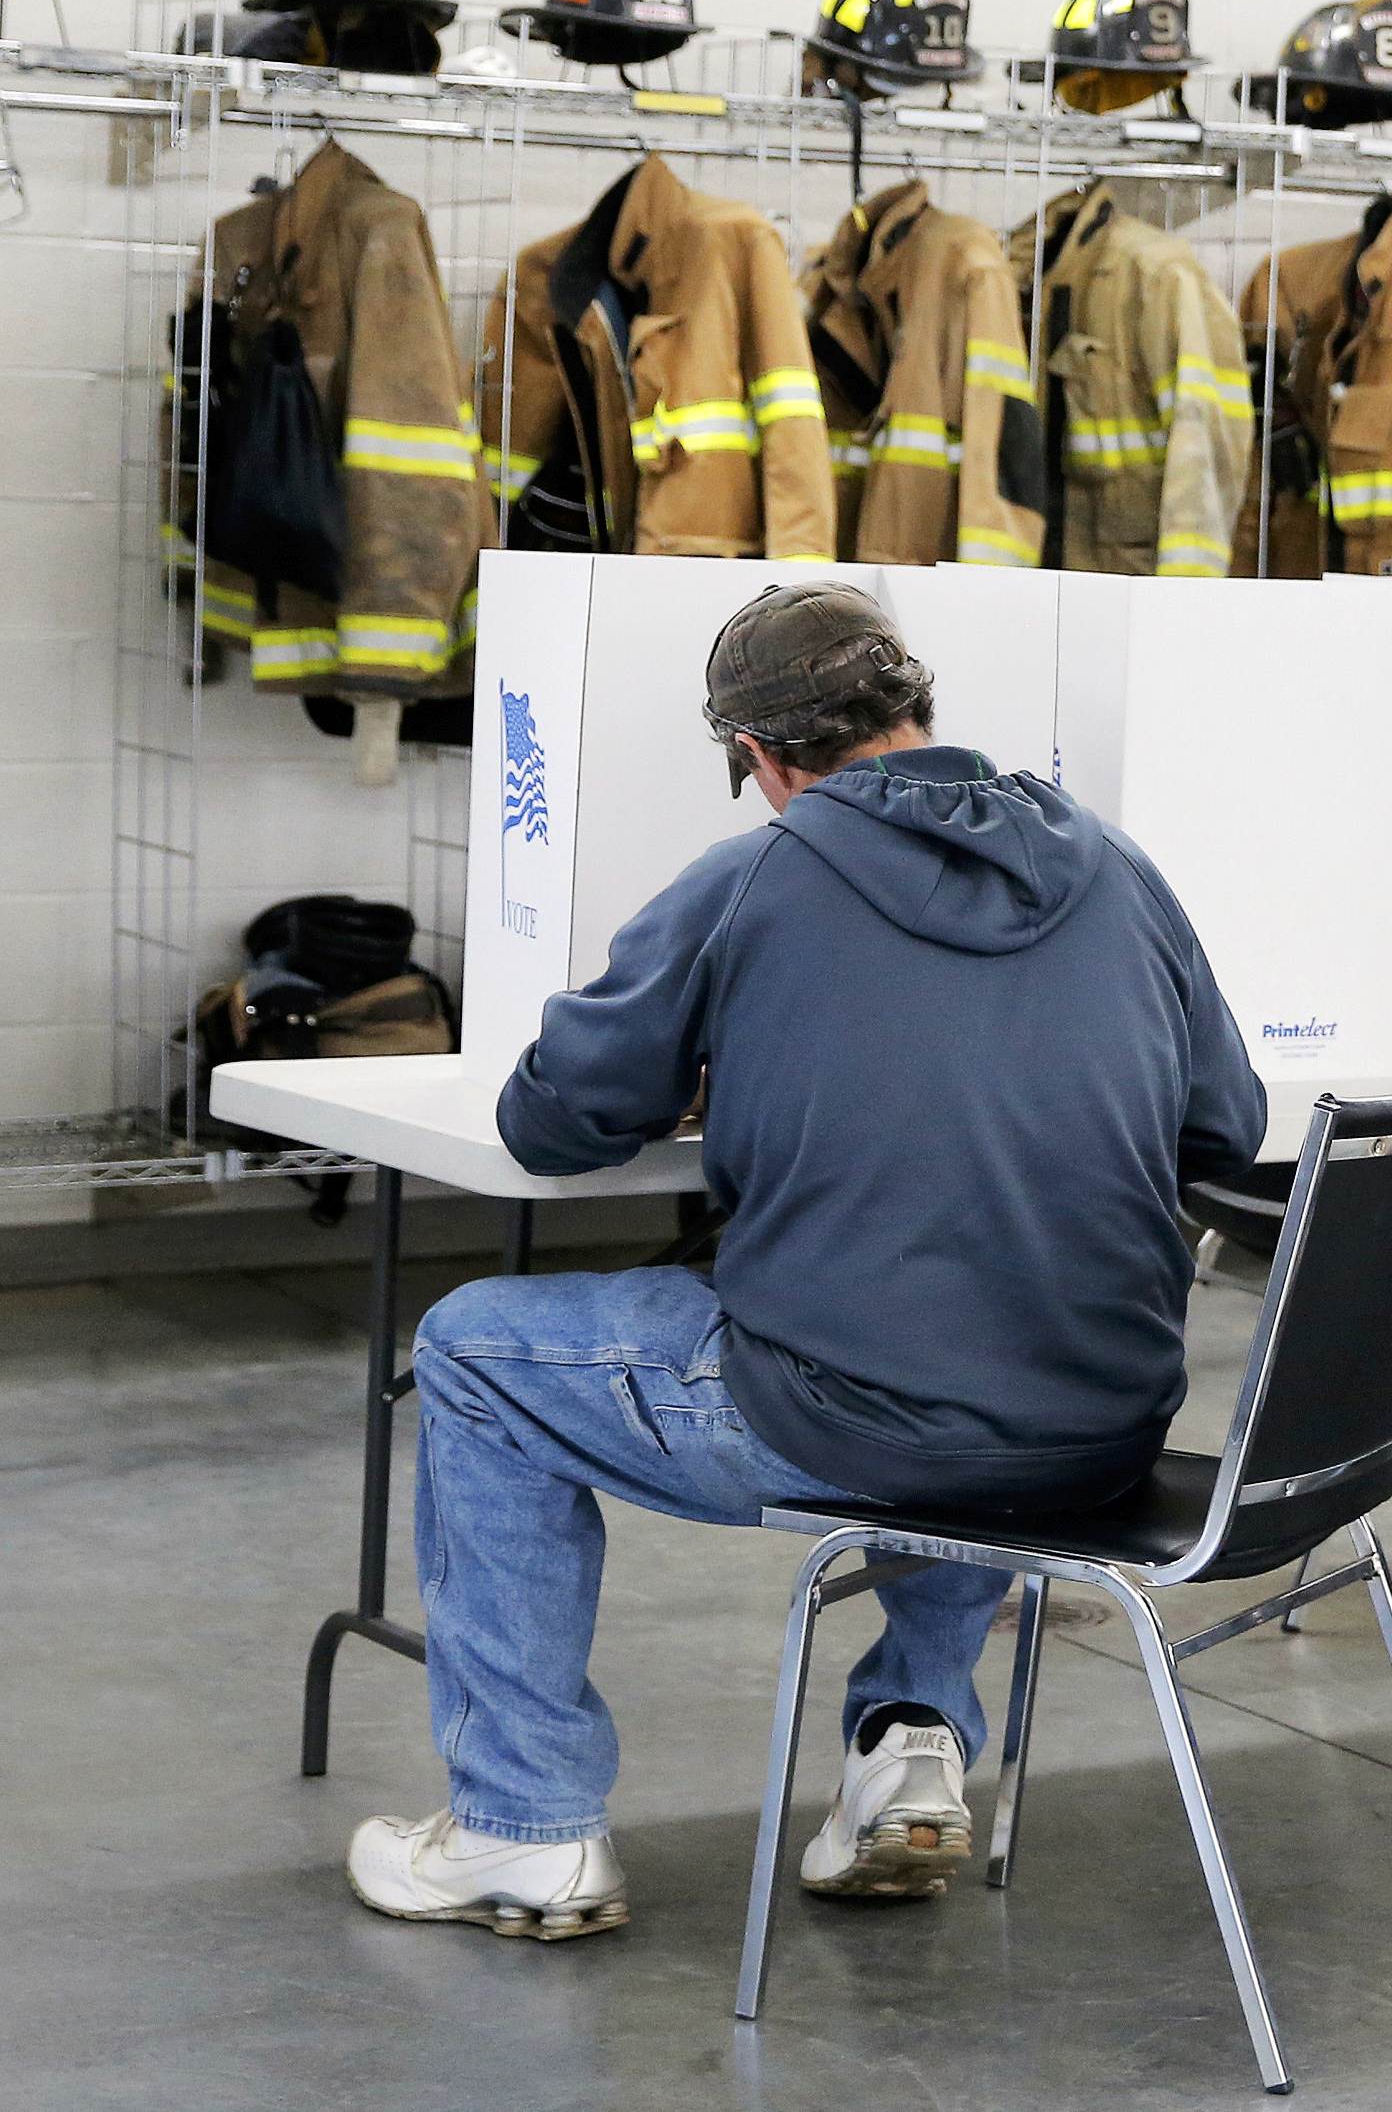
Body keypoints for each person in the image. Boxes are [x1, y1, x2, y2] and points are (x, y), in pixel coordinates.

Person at [348, 583, 1265, 1942]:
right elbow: (1226, 1126)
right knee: (975, 1307)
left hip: (857, 1415)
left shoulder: (757, 875)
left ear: (761, 762)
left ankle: (520, 1830)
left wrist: (720, 1067)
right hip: (1102, 1423)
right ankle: (910, 1739)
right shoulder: (1117, 865)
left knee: (478, 1351)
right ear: (922, 712)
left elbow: (548, 1116)